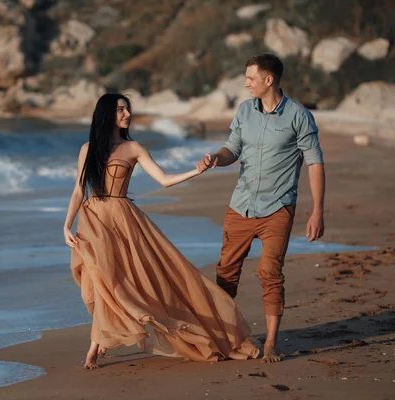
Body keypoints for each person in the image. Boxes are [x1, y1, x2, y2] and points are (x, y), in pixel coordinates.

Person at [63, 93, 259, 369]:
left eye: (128, 110)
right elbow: (77, 190)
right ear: (106, 113)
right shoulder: (88, 149)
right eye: (120, 110)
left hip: (123, 222)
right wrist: (66, 224)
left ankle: (94, 348)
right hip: (93, 221)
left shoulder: (134, 149)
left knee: (122, 281)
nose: (127, 114)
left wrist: (196, 171)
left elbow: (164, 180)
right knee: (97, 282)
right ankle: (104, 336)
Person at [198, 54, 325, 363]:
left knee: (270, 272)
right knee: (226, 273)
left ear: (269, 80)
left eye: (251, 78)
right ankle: (225, 336)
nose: (246, 83)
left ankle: (270, 343)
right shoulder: (244, 111)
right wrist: (217, 158)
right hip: (241, 205)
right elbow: (232, 149)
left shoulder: (299, 116)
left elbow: (315, 163)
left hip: (278, 209)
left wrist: (317, 211)